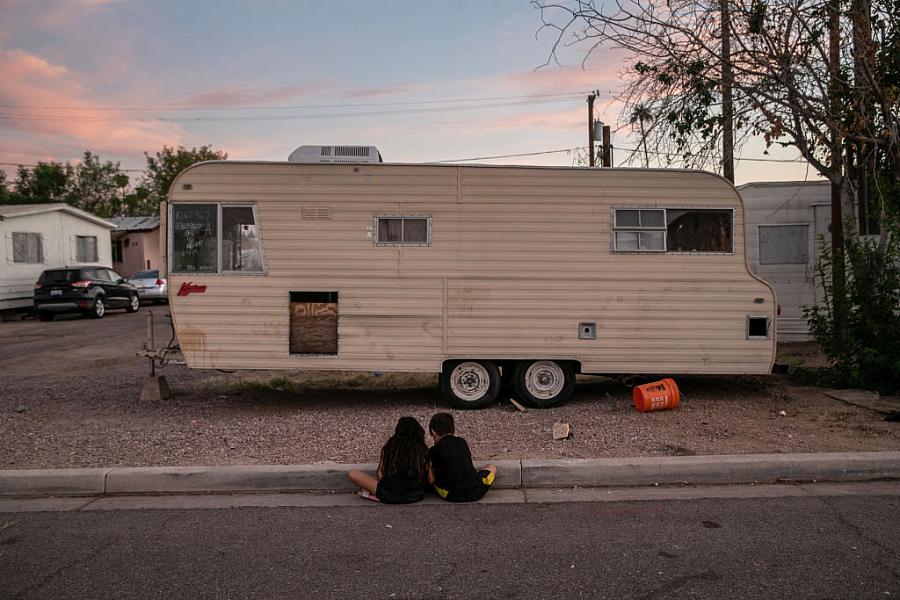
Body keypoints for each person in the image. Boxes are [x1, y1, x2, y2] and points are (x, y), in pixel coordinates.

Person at [348, 416, 433, 504]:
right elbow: (431, 479)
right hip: (414, 496)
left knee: (353, 474)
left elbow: (380, 475)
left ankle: (374, 493)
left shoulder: (389, 448)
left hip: (388, 494)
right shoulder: (422, 450)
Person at [428, 412, 496, 502]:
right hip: (477, 492)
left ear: (433, 432)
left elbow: (432, 479)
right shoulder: (462, 442)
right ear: (452, 429)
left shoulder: (434, 450)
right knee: (492, 467)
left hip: (453, 494)